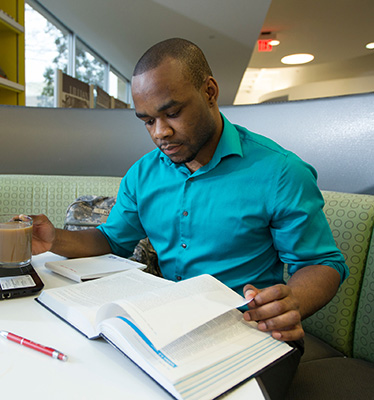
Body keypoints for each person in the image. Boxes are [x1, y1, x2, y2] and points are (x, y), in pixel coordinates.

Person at [31, 38, 348, 344]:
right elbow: (111, 240)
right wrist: (52, 240)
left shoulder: (280, 171)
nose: (160, 132)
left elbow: (321, 263)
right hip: (170, 328)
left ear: (209, 91)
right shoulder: (142, 174)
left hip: (248, 330)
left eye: (172, 113)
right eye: (147, 121)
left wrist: (289, 302)